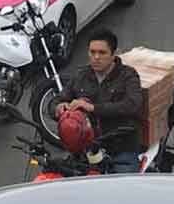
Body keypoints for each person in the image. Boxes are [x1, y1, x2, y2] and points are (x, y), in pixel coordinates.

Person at [56, 29, 144, 173]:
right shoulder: (81, 75)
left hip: (121, 149)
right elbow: (58, 99)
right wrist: (60, 106)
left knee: (124, 190)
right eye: (92, 52)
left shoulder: (128, 75)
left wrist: (93, 108)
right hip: (86, 148)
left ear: (114, 54)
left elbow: (132, 105)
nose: (96, 57)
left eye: (102, 53)